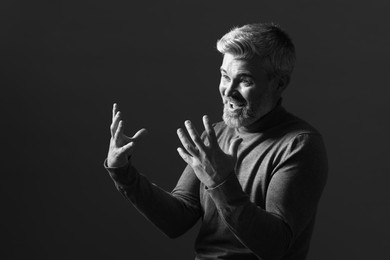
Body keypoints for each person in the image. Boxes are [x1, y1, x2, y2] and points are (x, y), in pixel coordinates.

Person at [104, 23, 328, 260]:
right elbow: (177, 219)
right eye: (224, 76)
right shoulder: (217, 134)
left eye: (245, 80)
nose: (228, 91)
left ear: (279, 83)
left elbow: (275, 246)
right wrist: (123, 172)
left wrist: (222, 182)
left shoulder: (300, 145)